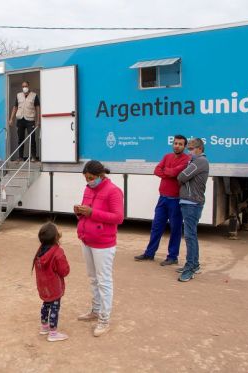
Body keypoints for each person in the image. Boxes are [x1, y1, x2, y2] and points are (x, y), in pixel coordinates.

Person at [75, 160, 124, 337]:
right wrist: (80, 211)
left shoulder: (114, 191)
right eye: (86, 178)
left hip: (103, 242)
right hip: (87, 239)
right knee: (93, 278)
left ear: (101, 176)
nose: (88, 181)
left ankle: (104, 319)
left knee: (104, 281)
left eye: (91, 178)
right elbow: (87, 210)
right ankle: (96, 310)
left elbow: (118, 217)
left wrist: (92, 213)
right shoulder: (88, 189)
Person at [134, 135, 191, 266]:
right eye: (175, 143)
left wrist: (168, 172)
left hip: (176, 200)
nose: (177, 145)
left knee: (175, 229)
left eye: (180, 144)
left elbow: (173, 172)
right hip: (163, 198)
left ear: (185, 146)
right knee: (156, 227)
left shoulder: (187, 160)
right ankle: (149, 253)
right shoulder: (167, 156)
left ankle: (172, 257)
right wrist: (169, 172)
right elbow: (157, 170)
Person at [176, 138, 209, 282]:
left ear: (200, 149)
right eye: (188, 149)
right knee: (191, 235)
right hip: (190, 202)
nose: (189, 152)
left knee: (190, 236)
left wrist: (183, 176)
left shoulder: (200, 161)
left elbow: (181, 176)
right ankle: (194, 264)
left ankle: (190, 268)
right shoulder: (195, 162)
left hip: (192, 203)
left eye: (191, 149)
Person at [32, 222, 70, 342]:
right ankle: (53, 333)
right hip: (54, 286)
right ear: (56, 237)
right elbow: (64, 271)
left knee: (46, 304)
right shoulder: (57, 252)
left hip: (43, 285)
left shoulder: (40, 250)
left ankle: (44, 326)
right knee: (54, 307)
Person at [8, 81, 40, 161]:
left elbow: (37, 108)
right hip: (20, 120)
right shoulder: (18, 95)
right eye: (23, 86)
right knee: (20, 139)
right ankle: (20, 157)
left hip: (30, 120)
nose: (24, 88)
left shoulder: (34, 95)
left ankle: (33, 157)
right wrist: (11, 119)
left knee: (32, 138)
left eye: (25, 86)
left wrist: (38, 120)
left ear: (29, 86)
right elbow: (15, 107)